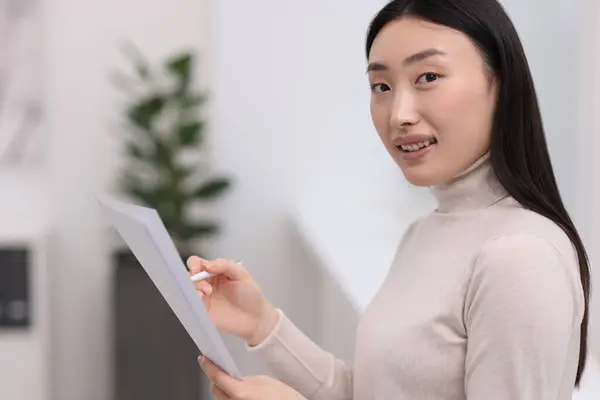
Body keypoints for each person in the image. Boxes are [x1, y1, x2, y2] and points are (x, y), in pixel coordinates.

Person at [189, 0, 591, 398]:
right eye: (381, 86)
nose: (398, 114)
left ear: (499, 84)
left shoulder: (521, 257)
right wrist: (263, 325)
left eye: (428, 77)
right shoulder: (425, 232)